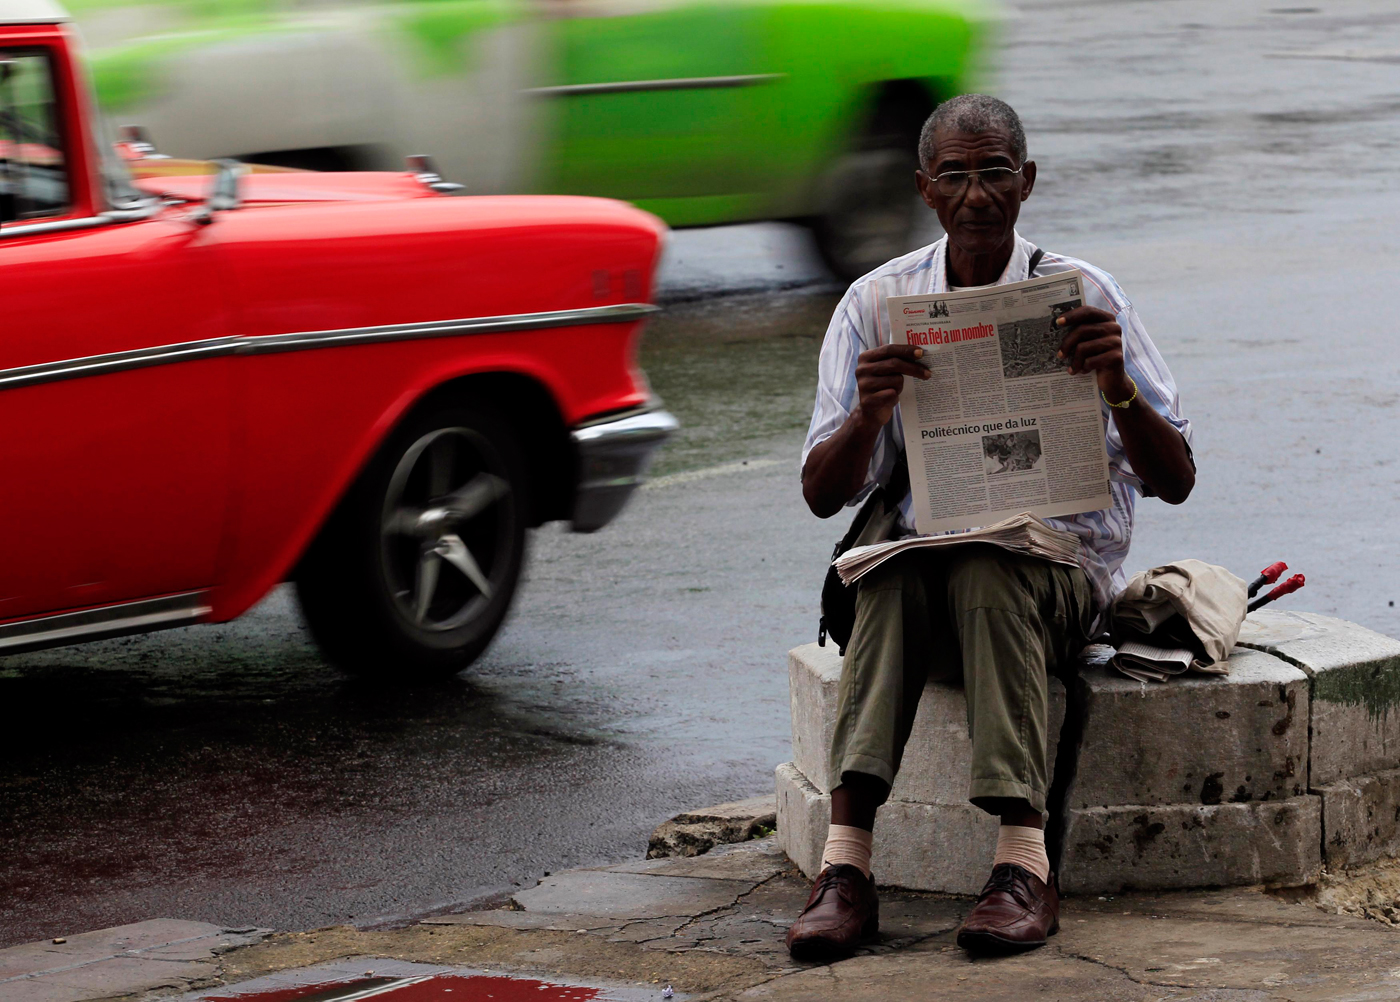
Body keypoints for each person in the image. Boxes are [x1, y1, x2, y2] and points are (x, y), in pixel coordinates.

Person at [788, 94, 1195, 959]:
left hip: (1048, 574)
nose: (977, 195)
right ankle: (846, 866)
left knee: (988, 567)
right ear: (925, 189)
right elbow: (823, 496)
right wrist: (868, 415)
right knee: (891, 570)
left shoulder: (1084, 294)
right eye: (956, 177)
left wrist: (1115, 383)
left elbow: (1177, 479)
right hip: (917, 570)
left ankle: (1022, 865)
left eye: (995, 173)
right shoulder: (876, 301)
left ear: (1028, 182)